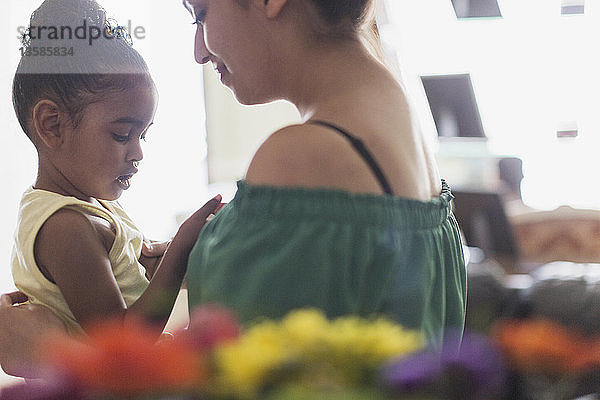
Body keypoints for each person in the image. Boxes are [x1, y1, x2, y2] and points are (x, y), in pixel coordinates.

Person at [183, 0, 466, 349]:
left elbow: (240, 366)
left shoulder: (299, 157)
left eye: (200, 14)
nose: (198, 52)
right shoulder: (404, 129)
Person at [1, 0, 220, 376]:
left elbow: (130, 274)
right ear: (52, 125)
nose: (137, 152)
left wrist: (160, 260)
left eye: (143, 135)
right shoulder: (64, 226)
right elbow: (124, 338)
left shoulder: (89, 206)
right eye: (122, 135)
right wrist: (181, 247)